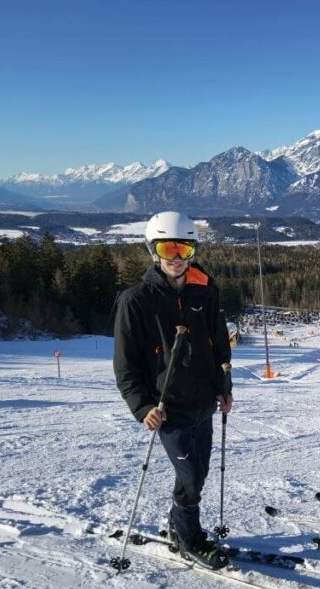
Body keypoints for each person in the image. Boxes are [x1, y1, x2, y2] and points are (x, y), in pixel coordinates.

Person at [113, 211, 234, 569]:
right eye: (169, 249)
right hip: (168, 407)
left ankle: (177, 522)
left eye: (185, 249)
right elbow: (125, 364)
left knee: (199, 473)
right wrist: (142, 406)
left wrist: (223, 386)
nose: (178, 259)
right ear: (153, 251)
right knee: (191, 477)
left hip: (204, 402)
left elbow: (219, 347)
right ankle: (188, 537)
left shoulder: (205, 290)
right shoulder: (136, 300)